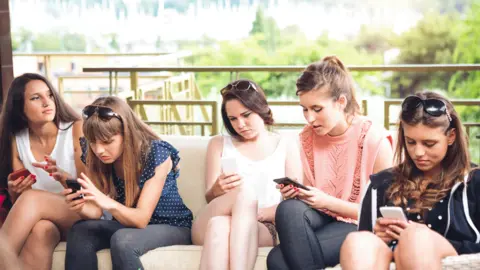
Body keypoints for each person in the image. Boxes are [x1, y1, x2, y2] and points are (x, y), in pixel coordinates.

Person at [267, 56, 394, 270]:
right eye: (304, 109)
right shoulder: (306, 138)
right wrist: (296, 193)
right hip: (325, 217)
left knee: (277, 260)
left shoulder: (374, 139)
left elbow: (383, 212)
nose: (309, 118)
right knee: (288, 208)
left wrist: (326, 201)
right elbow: (310, 199)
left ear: (341, 102)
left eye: (317, 109)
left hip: (361, 224)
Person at [340, 92, 479, 270]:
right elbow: (367, 237)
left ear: (451, 137)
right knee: (357, 241)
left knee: (415, 238)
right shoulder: (380, 184)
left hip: (452, 255)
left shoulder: (474, 181)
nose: (418, 152)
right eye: (410, 142)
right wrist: (379, 235)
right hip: (385, 256)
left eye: (429, 144)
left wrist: (426, 237)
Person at [64, 96, 193, 270]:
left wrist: (106, 201)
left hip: (172, 226)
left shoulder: (156, 152)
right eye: (93, 142)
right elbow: (95, 212)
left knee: (123, 240)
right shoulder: (98, 155)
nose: (99, 150)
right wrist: (81, 206)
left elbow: (141, 219)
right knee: (81, 230)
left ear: (127, 133)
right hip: (126, 225)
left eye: (107, 141)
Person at [191, 80, 303, 270]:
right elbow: (210, 198)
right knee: (244, 195)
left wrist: (255, 213)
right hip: (210, 218)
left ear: (261, 109)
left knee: (220, 226)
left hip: (264, 226)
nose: (240, 124)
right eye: (232, 119)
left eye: (246, 115)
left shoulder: (286, 144)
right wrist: (217, 189)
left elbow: (296, 200)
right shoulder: (218, 144)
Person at [0, 73, 84, 270]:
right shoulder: (17, 138)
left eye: (49, 95)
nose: (47, 102)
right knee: (41, 231)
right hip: (47, 220)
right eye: (36, 98)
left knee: (32, 199)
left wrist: (64, 178)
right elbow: (20, 201)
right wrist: (15, 191)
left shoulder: (76, 129)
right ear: (20, 108)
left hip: (82, 212)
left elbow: (88, 190)